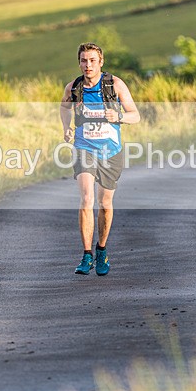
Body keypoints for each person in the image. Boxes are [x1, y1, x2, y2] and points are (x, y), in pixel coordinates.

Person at [60, 42, 140, 275]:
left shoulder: (114, 85)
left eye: (92, 60)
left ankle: (102, 250)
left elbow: (136, 115)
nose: (88, 65)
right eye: (84, 60)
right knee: (87, 200)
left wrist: (119, 116)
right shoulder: (74, 87)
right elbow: (64, 107)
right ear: (79, 62)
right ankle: (86, 255)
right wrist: (66, 127)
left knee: (105, 205)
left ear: (101, 62)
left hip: (111, 152)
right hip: (84, 148)